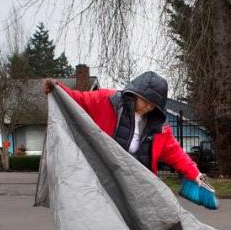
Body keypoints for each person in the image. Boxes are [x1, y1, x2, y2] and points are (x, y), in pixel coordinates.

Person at [44, 72, 205, 185]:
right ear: (135, 93)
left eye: (153, 105)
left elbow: (176, 154)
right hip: (107, 180)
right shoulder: (107, 101)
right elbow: (78, 99)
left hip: (141, 185)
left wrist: (195, 174)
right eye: (144, 101)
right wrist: (57, 89)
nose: (147, 107)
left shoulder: (160, 129)